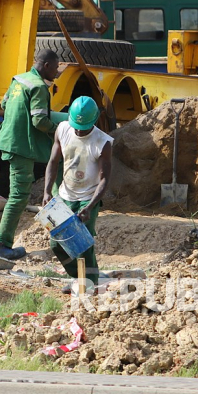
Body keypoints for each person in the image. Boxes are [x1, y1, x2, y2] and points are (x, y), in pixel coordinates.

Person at [0, 49, 60, 260]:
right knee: (19, 195)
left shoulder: (19, 80)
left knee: (18, 194)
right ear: (46, 65)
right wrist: (60, 128)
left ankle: (2, 242)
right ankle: (0, 244)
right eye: (56, 68)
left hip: (9, 140)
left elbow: (4, 104)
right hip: (21, 145)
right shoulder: (39, 87)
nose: (56, 73)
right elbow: (39, 121)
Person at [43, 96, 112, 289]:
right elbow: (53, 162)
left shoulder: (102, 142)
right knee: (57, 244)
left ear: (95, 121)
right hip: (65, 195)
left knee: (84, 244)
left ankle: (89, 284)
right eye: (77, 126)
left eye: (84, 127)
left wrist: (90, 207)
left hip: (88, 197)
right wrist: (47, 192)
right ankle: (77, 276)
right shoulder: (63, 129)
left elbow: (105, 178)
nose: (80, 130)